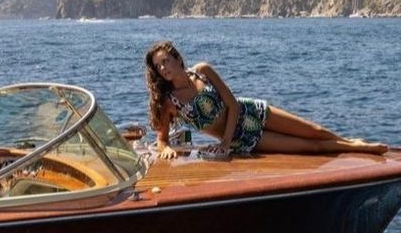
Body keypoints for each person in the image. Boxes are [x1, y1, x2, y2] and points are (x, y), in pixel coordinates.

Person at [145, 40, 388, 159]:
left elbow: (231, 103)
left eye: (166, 60)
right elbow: (162, 139)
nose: (164, 68)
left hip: (251, 112)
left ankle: (354, 144)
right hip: (243, 138)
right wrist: (166, 150)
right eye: (158, 66)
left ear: (177, 59)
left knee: (315, 130)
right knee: (309, 148)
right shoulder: (169, 102)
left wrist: (225, 141)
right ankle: (356, 149)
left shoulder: (202, 71)